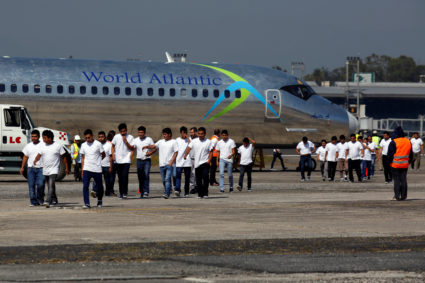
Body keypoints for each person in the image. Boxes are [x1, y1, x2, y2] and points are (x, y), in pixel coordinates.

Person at [33, 130, 69, 208]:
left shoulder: (58, 146)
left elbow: (64, 157)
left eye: (45, 138)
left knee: (51, 184)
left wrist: (66, 168)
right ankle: (54, 199)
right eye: (43, 138)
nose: (43, 140)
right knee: (50, 186)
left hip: (54, 169)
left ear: (50, 138)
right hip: (45, 169)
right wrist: (35, 160)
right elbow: (39, 154)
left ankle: (48, 201)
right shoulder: (42, 146)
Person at [144, 128, 178, 199]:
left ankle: (167, 193)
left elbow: (176, 152)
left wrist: (171, 162)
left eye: (165, 134)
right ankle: (167, 190)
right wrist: (147, 146)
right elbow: (154, 146)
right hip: (161, 164)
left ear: (169, 134)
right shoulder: (161, 142)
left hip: (169, 164)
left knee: (167, 179)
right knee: (163, 180)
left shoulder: (174, 142)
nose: (164, 136)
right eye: (163, 134)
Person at [184, 127, 213, 198]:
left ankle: (205, 193)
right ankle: (200, 194)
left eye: (202, 134)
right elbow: (189, 148)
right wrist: (185, 155)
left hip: (205, 163)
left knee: (206, 178)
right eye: (199, 134)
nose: (200, 135)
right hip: (197, 163)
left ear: (205, 134)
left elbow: (211, 152)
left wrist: (209, 161)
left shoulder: (208, 141)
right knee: (198, 180)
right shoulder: (194, 141)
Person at [80, 129, 105, 208]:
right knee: (85, 186)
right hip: (87, 168)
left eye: (89, 137)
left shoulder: (98, 144)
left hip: (97, 169)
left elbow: (103, 154)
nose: (87, 139)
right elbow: (83, 158)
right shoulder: (83, 145)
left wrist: (98, 161)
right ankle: (87, 203)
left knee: (99, 186)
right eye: (86, 138)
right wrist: (82, 169)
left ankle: (100, 201)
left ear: (92, 136)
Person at [20, 130, 45, 206]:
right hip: (31, 168)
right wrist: (22, 167)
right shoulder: (28, 146)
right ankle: (33, 202)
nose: (33, 138)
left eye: (35, 136)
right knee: (31, 186)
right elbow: (25, 156)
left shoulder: (43, 145)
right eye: (32, 136)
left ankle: (40, 199)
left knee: (41, 184)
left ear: (39, 137)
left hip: (41, 168)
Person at [388, 126, 412, 201]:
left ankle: (397, 196)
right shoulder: (408, 141)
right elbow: (411, 154)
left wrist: (389, 163)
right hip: (405, 164)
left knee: (397, 180)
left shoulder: (394, 142)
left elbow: (390, 154)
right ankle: (404, 196)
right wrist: (409, 162)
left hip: (395, 164)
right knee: (403, 180)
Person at [111, 123, 135, 199]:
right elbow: (113, 146)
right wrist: (113, 155)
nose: (123, 133)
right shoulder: (116, 137)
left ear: (126, 130)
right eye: (121, 131)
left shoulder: (130, 137)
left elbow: (132, 148)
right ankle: (121, 193)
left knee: (125, 176)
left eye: (124, 131)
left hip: (126, 160)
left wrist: (126, 142)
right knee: (120, 177)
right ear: (119, 131)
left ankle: (125, 192)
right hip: (118, 160)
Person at [132, 126, 156, 198]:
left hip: (147, 159)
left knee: (146, 175)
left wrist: (150, 153)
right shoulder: (135, 140)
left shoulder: (149, 139)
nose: (140, 134)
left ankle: (146, 191)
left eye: (142, 132)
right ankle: (141, 191)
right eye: (139, 132)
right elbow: (132, 148)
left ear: (144, 133)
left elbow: (155, 148)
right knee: (140, 176)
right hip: (139, 160)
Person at [175, 126, 192, 197]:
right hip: (179, 161)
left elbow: (192, 144)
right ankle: (178, 190)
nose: (183, 134)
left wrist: (187, 138)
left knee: (187, 177)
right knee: (178, 176)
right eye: (182, 133)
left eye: (185, 133)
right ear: (180, 133)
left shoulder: (189, 140)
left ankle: (186, 192)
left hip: (187, 162)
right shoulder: (177, 140)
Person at [97, 131, 114, 197]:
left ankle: (107, 193)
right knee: (98, 180)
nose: (101, 138)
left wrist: (111, 167)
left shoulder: (109, 145)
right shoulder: (97, 144)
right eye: (99, 137)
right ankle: (98, 193)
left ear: (105, 137)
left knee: (107, 180)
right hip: (99, 165)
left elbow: (111, 156)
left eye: (102, 137)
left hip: (107, 165)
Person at [106, 130, 117, 196]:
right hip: (112, 161)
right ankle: (110, 190)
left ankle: (109, 190)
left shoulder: (106, 143)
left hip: (107, 161)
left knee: (108, 177)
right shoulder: (112, 144)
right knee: (112, 177)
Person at [189, 127, 198, 194]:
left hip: (197, 159)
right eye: (190, 132)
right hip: (190, 159)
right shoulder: (188, 139)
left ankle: (197, 186)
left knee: (197, 173)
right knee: (191, 174)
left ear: (195, 132)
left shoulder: (198, 139)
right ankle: (192, 187)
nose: (191, 134)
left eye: (192, 132)